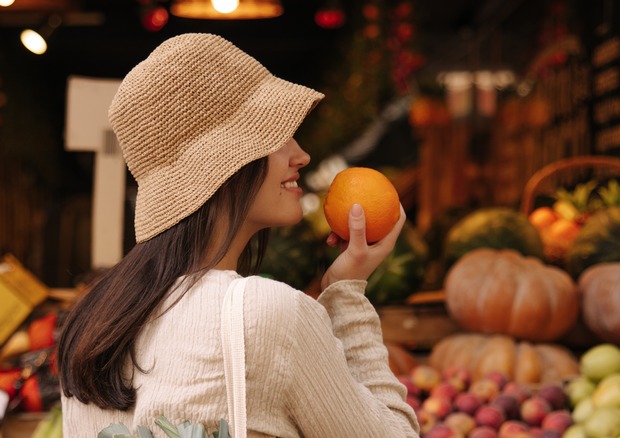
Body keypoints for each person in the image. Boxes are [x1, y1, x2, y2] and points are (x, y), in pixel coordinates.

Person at [56, 33, 420, 437]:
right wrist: (347, 293)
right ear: (225, 164)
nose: (300, 155)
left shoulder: (92, 329)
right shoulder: (269, 315)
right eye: (275, 134)